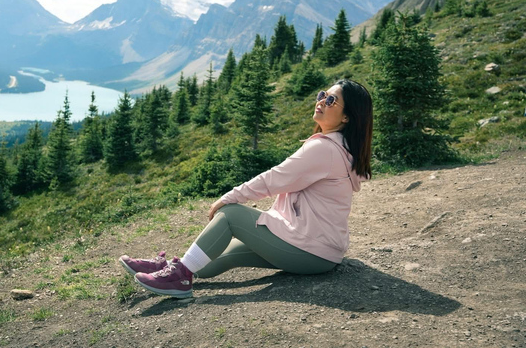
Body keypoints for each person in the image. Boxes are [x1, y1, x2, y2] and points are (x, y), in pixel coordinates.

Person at [119, 79, 373, 298]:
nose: (321, 101)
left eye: (331, 100)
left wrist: (228, 198)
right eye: (322, 95)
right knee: (210, 260)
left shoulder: (325, 149)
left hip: (311, 249)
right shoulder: (337, 147)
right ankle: (175, 269)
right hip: (316, 249)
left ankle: (179, 280)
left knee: (231, 214)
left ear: (347, 116)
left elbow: (274, 178)